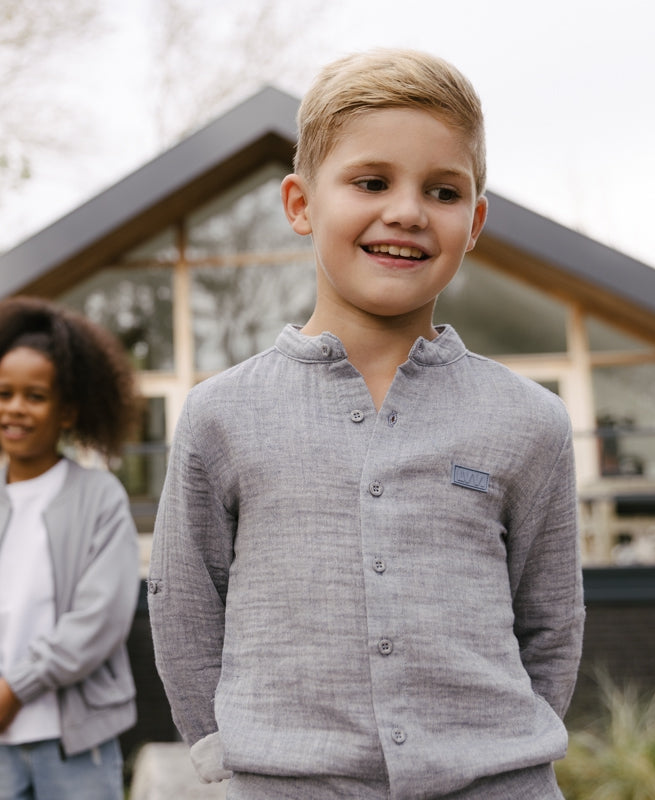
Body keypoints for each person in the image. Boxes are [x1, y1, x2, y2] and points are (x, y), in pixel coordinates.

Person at [148, 49, 585, 799]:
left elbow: (551, 619)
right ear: (300, 204)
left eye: (442, 191)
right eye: (371, 182)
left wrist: (498, 753)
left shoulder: (530, 421)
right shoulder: (223, 413)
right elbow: (185, 600)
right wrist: (225, 751)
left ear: (474, 222)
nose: (408, 211)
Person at [0, 296, 141, 800]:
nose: (15, 408)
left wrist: (16, 688)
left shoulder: (100, 497)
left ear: (68, 411)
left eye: (35, 396)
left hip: (77, 746)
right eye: (3, 393)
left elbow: (100, 618)